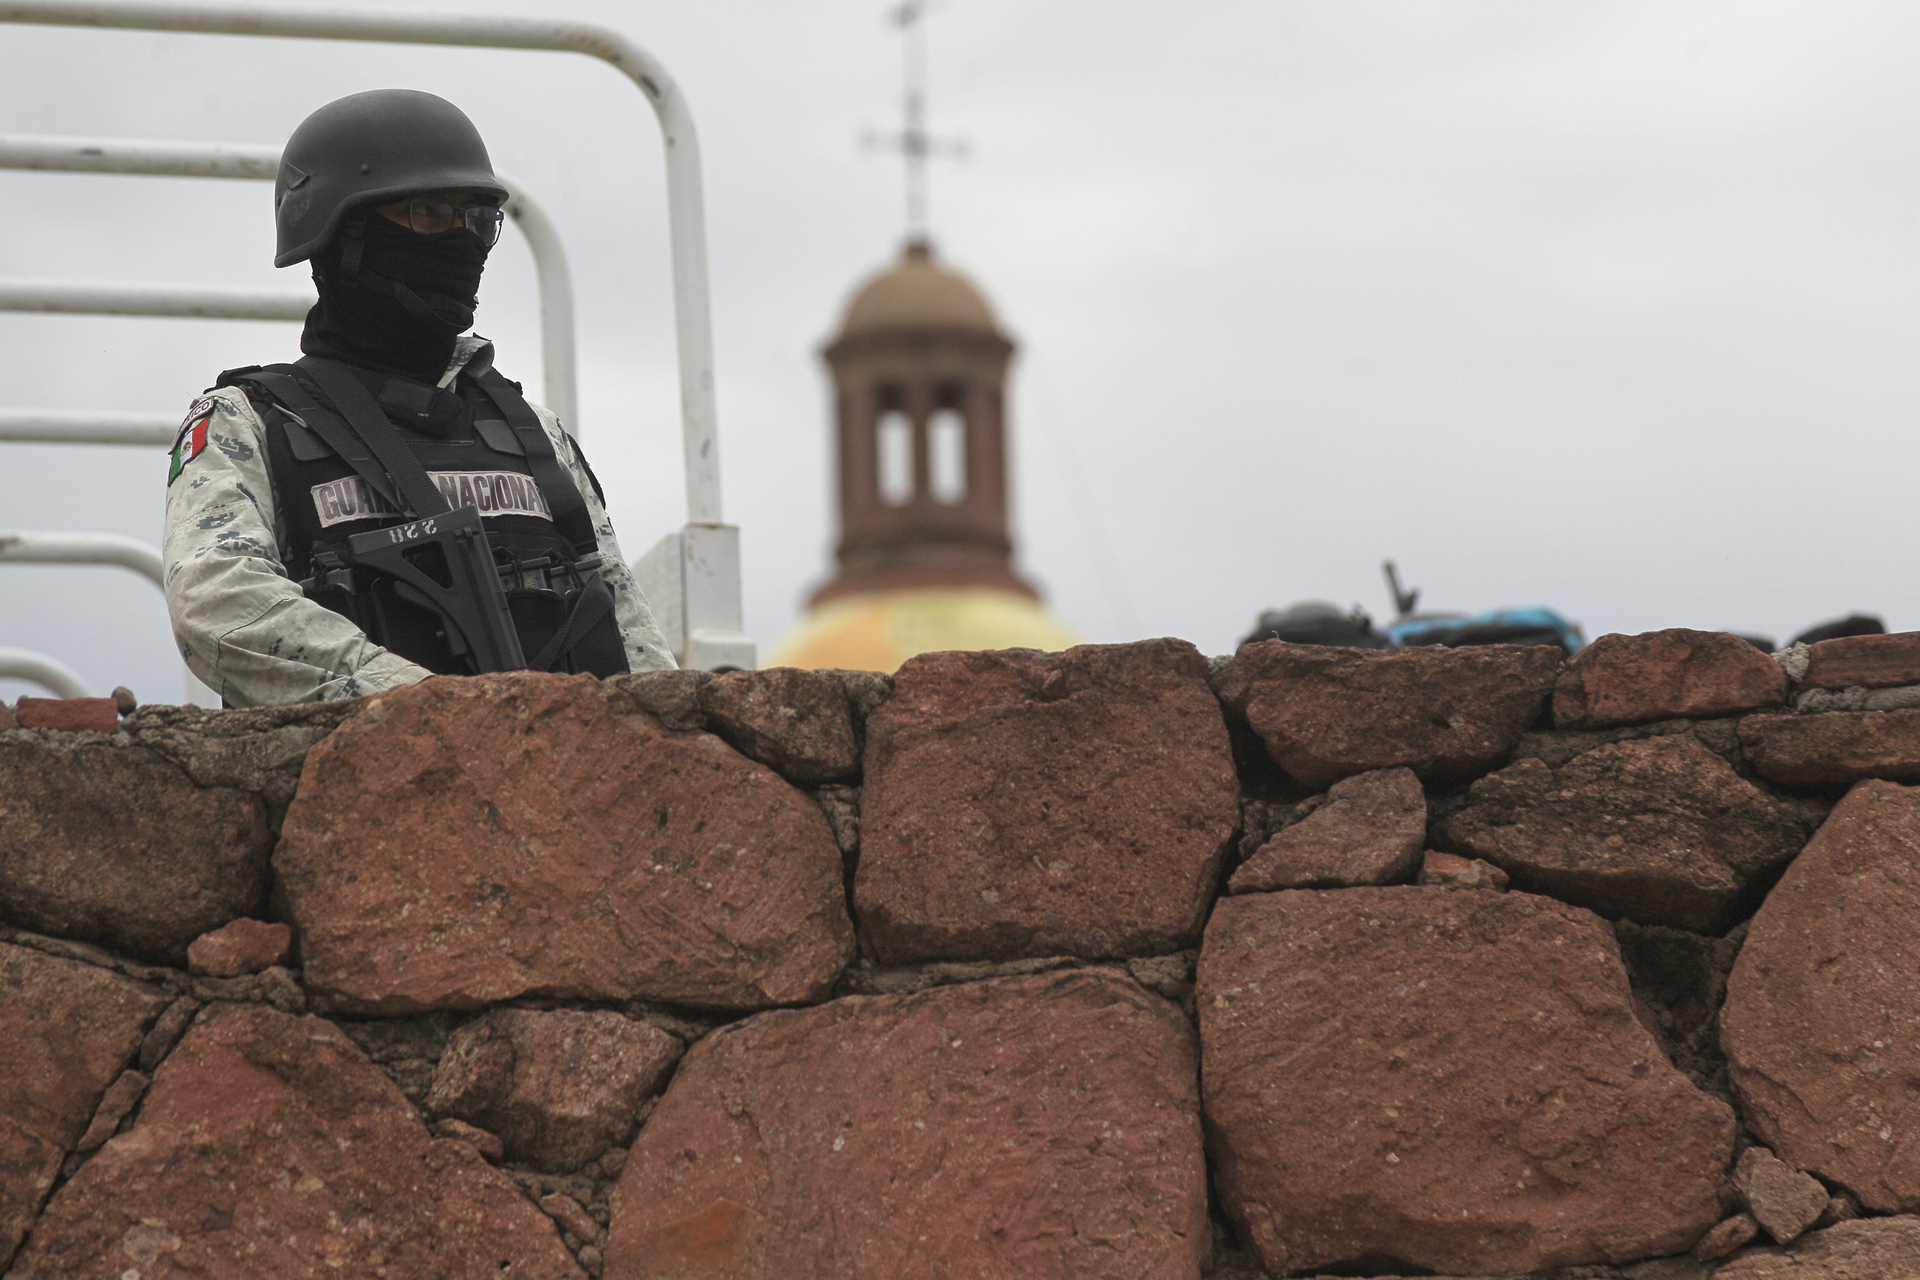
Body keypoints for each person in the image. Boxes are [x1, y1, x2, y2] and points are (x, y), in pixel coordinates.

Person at [163, 90, 675, 706]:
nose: (462, 241)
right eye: (429, 214)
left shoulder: (533, 433)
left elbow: (626, 631)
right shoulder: (247, 424)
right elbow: (219, 606)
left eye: (478, 220)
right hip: (352, 762)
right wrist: (425, 708)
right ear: (342, 233)